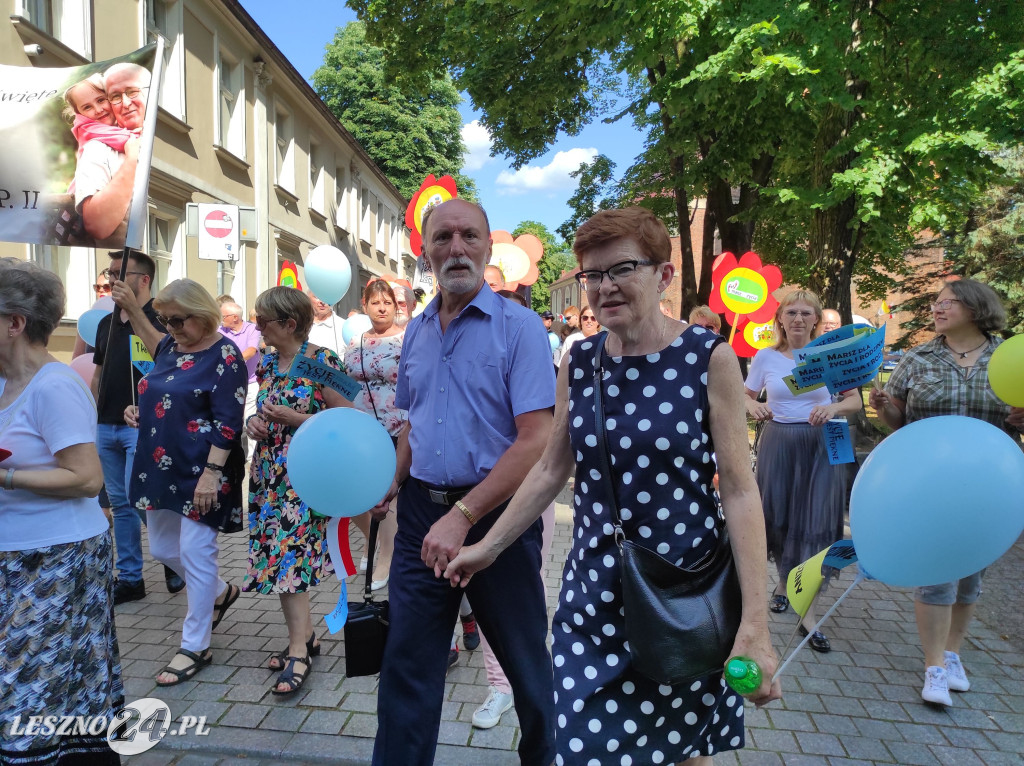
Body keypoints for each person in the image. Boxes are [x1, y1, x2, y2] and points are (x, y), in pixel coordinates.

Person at [445, 207, 781, 764]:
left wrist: (755, 625)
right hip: (595, 593)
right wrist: (488, 546)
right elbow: (552, 469)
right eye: (592, 275)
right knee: (576, 744)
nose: (604, 287)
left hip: (684, 593)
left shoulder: (707, 358)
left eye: (621, 269)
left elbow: (741, 493)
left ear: (663, 276)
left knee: (683, 751)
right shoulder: (579, 361)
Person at [369, 198, 557, 766]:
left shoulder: (519, 327)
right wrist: (391, 480)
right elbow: (412, 422)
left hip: (495, 521)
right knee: (406, 666)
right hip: (422, 516)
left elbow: (536, 440)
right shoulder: (418, 331)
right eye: (443, 237)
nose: (456, 248)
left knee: (526, 667)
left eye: (469, 235)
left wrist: (464, 516)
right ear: (425, 250)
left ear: (485, 246)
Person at [869, 279, 1024, 707]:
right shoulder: (918, 358)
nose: (937, 309)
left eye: (947, 303)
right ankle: (934, 665)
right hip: (929, 484)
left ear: (975, 308)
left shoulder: (1007, 356)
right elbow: (899, 421)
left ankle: (954, 653)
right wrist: (886, 408)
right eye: (935, 303)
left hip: (989, 485)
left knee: (972, 575)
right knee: (937, 573)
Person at [0, 258, 121, 766]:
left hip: (56, 558)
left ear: (15, 322)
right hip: (14, 555)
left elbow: (87, 479)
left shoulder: (54, 386)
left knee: (35, 679)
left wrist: (6, 477)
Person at [124, 279, 247, 686]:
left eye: (178, 319)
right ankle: (218, 591)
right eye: (165, 319)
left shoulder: (224, 355)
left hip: (202, 471)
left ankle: (195, 644)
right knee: (161, 547)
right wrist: (138, 410)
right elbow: (160, 393)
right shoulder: (167, 348)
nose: (171, 326)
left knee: (196, 553)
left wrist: (212, 474)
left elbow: (229, 423)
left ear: (203, 313)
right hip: (159, 466)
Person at [242, 286, 349, 695]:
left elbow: (347, 417)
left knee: (289, 562)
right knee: (277, 556)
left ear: (289, 323)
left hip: (303, 477)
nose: (257, 327)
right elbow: (264, 408)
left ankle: (298, 651)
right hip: (268, 475)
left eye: (263, 320)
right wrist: (256, 422)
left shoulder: (322, 361)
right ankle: (307, 638)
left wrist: (296, 418)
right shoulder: (268, 363)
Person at [744, 290, 863, 652]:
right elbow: (743, 395)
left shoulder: (831, 357)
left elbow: (855, 400)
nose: (797, 319)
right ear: (779, 318)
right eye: (791, 312)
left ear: (816, 319)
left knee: (815, 524)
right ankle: (783, 584)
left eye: (805, 313)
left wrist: (834, 408)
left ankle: (808, 615)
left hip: (822, 444)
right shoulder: (765, 357)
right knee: (778, 519)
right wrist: (753, 405)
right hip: (779, 443)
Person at [92, 249, 182, 602]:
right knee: (119, 504)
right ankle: (130, 577)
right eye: (110, 272)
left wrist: (134, 311)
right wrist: (91, 412)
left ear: (143, 280)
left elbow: (167, 359)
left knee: (139, 499)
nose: (113, 279)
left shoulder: (161, 321)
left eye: (121, 273)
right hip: (106, 423)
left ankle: (170, 555)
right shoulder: (106, 323)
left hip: (142, 425)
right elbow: (98, 373)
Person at [342, 279, 406, 590]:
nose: (381, 308)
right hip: (360, 428)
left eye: (387, 302)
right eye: (375, 302)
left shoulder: (406, 340)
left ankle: (388, 558)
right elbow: (345, 382)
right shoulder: (356, 341)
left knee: (383, 496)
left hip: (397, 426)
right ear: (365, 306)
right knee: (356, 494)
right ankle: (375, 542)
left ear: (396, 306)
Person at [74, 63, 149, 246]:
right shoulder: (97, 148)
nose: (125, 103)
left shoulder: (145, 137)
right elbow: (98, 225)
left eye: (132, 92)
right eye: (115, 96)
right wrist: (132, 159)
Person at [219, 301, 262, 461]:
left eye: (223, 317)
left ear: (235, 317)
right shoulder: (221, 330)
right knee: (230, 419)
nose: (221, 320)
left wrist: (231, 362)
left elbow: (251, 351)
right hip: (228, 383)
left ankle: (252, 459)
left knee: (250, 418)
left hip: (249, 382)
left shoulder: (252, 329)